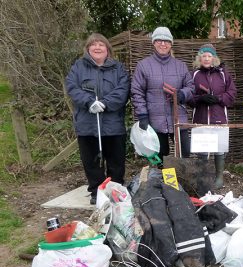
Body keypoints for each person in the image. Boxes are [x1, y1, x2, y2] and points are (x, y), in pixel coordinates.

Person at [66, 33, 130, 205]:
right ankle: (96, 191)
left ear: (107, 49)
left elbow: (123, 90)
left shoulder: (118, 68)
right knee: (91, 161)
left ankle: (115, 190)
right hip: (88, 125)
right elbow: (72, 87)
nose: (97, 47)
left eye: (101, 44)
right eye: (93, 45)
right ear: (88, 49)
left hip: (113, 125)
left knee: (116, 161)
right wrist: (88, 102)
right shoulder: (78, 67)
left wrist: (105, 104)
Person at [131, 26, 194, 164]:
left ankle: (183, 182)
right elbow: (137, 91)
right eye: (159, 40)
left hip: (178, 118)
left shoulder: (180, 66)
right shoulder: (143, 65)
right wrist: (142, 115)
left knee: (184, 154)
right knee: (161, 156)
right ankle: (163, 182)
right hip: (155, 120)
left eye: (166, 41)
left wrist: (182, 95)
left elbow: (191, 86)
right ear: (153, 43)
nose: (163, 44)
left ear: (171, 44)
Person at [189, 43, 237, 189]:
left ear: (214, 58)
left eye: (209, 56)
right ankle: (202, 176)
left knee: (219, 147)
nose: (206, 59)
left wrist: (219, 99)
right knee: (202, 147)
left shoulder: (223, 74)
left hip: (219, 116)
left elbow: (232, 92)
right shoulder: (194, 75)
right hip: (201, 117)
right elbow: (189, 96)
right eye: (203, 56)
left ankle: (219, 177)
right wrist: (200, 99)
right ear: (199, 58)